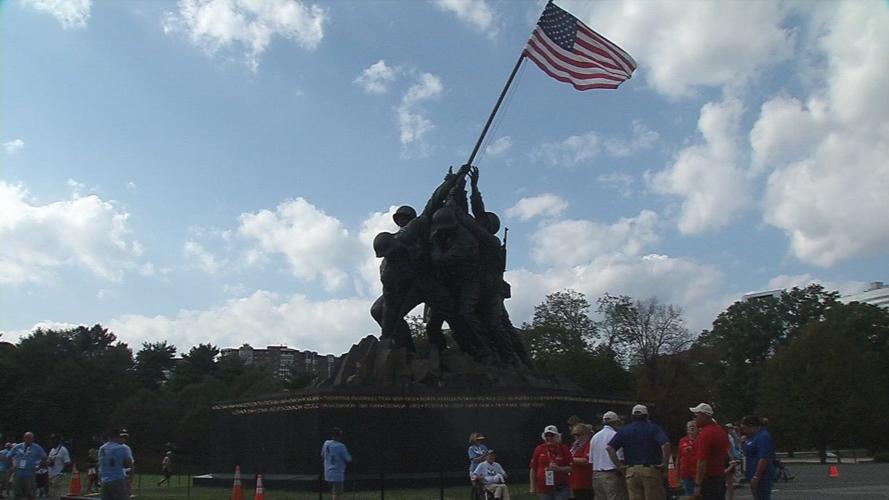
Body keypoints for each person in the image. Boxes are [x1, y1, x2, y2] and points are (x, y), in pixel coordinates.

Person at [606, 404, 670, 500]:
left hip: (631, 472)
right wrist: (664, 463)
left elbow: (610, 448)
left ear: (632, 416)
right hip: (650, 470)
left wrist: (619, 466)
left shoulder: (624, 430)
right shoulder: (654, 428)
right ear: (647, 416)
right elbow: (665, 444)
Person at [689, 403, 729, 500]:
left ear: (703, 416)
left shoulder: (706, 434)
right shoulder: (720, 431)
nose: (694, 419)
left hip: (708, 479)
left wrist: (698, 484)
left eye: (696, 416)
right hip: (719, 477)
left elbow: (702, 461)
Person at [590, 411, 627, 500]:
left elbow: (591, 460)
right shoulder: (615, 435)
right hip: (611, 474)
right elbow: (620, 457)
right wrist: (622, 470)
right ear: (615, 422)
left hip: (596, 475)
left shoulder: (595, 437)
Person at [529, 425, 572, 500]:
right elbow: (533, 469)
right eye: (547, 436)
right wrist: (532, 486)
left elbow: (571, 468)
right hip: (544, 488)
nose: (549, 438)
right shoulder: (539, 449)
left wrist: (559, 469)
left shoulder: (564, 449)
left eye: (551, 435)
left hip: (561, 487)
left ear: (557, 436)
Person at [740, 415, 774, 500]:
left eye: (744, 428)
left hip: (762, 476)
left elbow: (763, 458)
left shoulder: (763, 437)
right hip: (751, 472)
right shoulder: (751, 437)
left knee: (763, 496)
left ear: (751, 426)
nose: (743, 431)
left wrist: (756, 476)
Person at [6, 432, 47, 500]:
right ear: (24, 438)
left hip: (30, 474)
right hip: (18, 474)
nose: (29, 439)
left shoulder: (37, 447)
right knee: (17, 494)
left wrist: (38, 467)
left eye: (30, 438)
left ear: (33, 439)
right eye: (27, 437)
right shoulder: (17, 446)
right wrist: (11, 466)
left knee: (30, 494)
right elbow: (9, 456)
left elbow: (44, 458)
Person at [98, 430, 132, 500]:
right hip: (117, 479)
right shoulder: (122, 448)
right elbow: (129, 464)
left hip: (104, 480)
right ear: (117, 437)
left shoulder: (102, 448)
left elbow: (100, 464)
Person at [321, 427, 352, 500]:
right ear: (340, 436)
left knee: (333, 493)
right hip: (337, 474)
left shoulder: (326, 443)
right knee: (337, 494)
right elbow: (348, 459)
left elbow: (322, 455)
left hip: (327, 473)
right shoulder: (341, 446)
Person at [568, 424, 593, 500]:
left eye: (578, 435)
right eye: (574, 435)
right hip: (573, 482)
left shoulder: (589, 445)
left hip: (584, 483)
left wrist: (569, 459)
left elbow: (585, 460)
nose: (576, 437)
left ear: (586, 435)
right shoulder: (574, 447)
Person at [676, 420, 698, 497]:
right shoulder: (682, 440)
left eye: (693, 426)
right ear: (687, 429)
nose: (692, 428)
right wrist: (677, 471)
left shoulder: (701, 440)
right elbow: (679, 456)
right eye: (690, 426)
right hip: (686, 473)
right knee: (689, 495)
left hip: (698, 473)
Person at [46, 435, 71, 500]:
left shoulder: (63, 450)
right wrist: (48, 462)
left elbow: (67, 463)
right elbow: (49, 461)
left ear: (58, 441)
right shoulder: (52, 450)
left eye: (53, 440)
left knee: (57, 493)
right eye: (51, 440)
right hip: (51, 475)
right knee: (51, 493)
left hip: (58, 475)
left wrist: (61, 473)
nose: (51, 441)